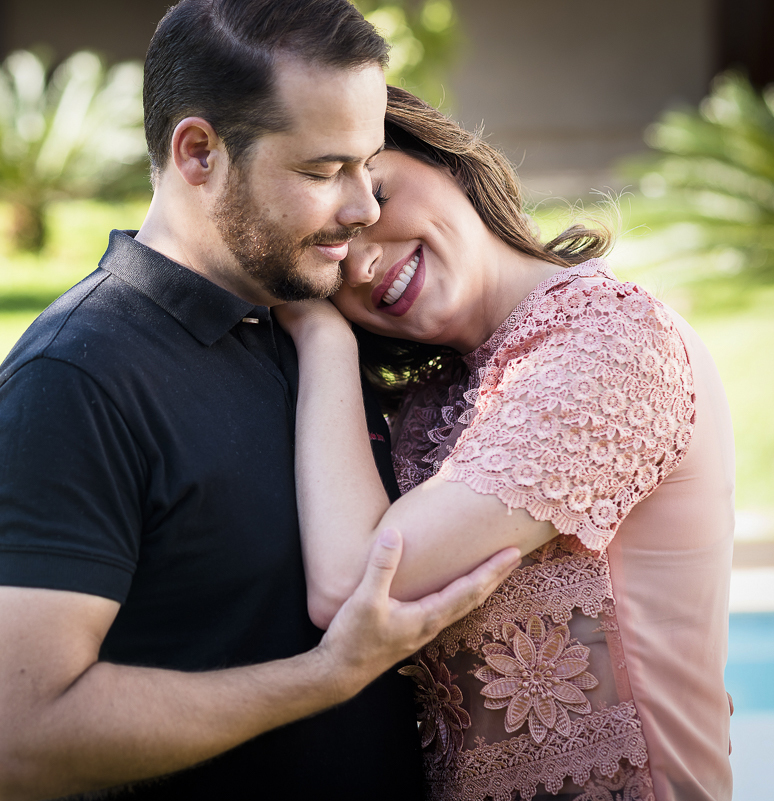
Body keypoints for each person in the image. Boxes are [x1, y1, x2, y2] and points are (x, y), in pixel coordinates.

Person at [0, 4, 520, 800]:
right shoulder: (70, 384)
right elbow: (17, 742)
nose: (363, 208)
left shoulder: (318, 319)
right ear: (198, 153)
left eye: (368, 164)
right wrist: (325, 676)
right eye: (323, 171)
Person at [278, 87, 734, 800]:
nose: (360, 265)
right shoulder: (436, 393)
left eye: (376, 197)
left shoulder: (615, 346)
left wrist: (319, 332)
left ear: (446, 161)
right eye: (330, 257)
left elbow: (354, 582)